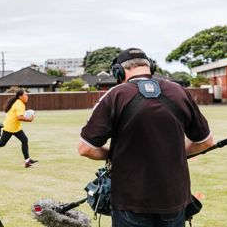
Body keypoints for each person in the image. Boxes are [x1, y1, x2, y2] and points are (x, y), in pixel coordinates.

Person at [78, 48, 215, 227]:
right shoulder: (179, 92)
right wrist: (174, 153)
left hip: (130, 202)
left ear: (118, 72)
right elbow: (205, 141)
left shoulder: (115, 95)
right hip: (174, 199)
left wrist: (115, 154)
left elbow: (85, 148)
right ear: (151, 67)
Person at [0, 89, 38, 168]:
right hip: (10, 126)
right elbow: (19, 117)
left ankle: (27, 161)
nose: (27, 96)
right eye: (25, 95)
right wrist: (29, 119)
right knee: (2, 143)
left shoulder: (18, 102)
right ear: (20, 96)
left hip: (14, 126)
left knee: (24, 140)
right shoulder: (20, 104)